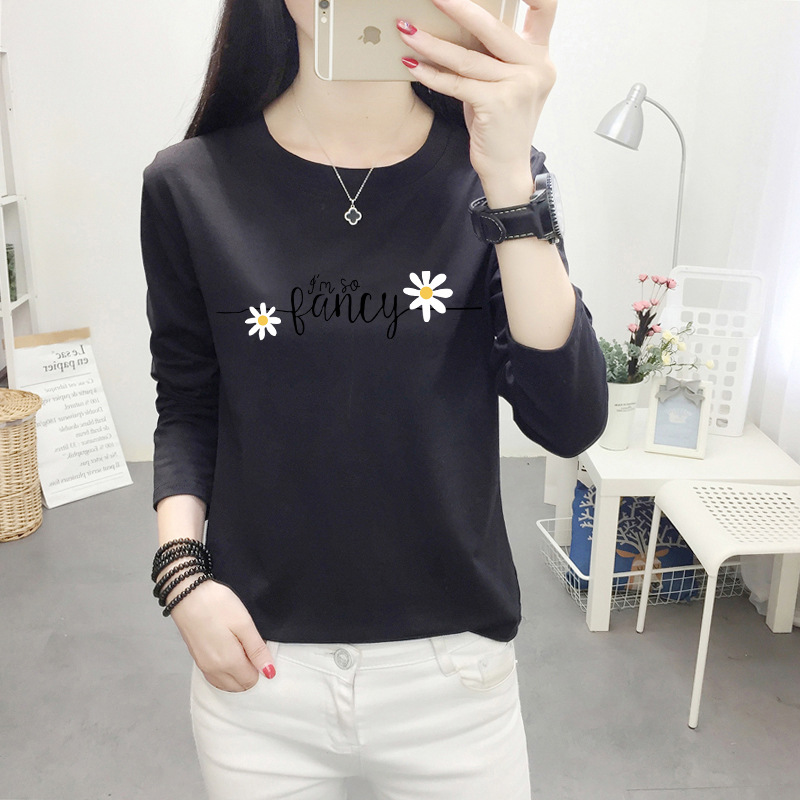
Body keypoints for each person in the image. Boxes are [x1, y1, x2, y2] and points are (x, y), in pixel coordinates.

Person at [140, 0, 608, 797]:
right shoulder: (188, 184)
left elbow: (567, 419)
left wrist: (508, 177)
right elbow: (187, 402)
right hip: (259, 671)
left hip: (454, 677)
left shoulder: (494, 175)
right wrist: (181, 575)